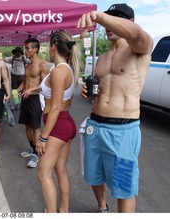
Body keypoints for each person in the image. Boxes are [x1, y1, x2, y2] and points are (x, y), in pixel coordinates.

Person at [77, 3, 153, 212]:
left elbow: (136, 34)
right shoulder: (102, 59)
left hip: (122, 130)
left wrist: (101, 16)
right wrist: (87, 91)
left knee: (123, 186)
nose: (109, 24)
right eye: (109, 18)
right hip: (95, 125)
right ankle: (102, 208)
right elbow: (102, 87)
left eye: (117, 18)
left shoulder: (140, 47)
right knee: (93, 175)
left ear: (130, 22)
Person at [36, 30, 80, 213]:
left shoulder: (59, 71)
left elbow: (55, 107)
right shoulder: (66, 69)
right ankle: (63, 210)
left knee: (43, 173)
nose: (47, 49)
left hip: (57, 127)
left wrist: (43, 137)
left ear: (53, 47)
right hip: (65, 123)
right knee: (60, 169)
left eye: (47, 46)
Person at [17, 38, 48, 168]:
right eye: (25, 48)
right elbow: (24, 82)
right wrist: (15, 90)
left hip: (35, 98)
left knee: (35, 127)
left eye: (28, 48)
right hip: (26, 97)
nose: (26, 51)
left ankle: (37, 155)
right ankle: (32, 148)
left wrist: (31, 89)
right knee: (27, 126)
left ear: (35, 49)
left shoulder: (42, 65)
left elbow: (46, 85)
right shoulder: (27, 65)